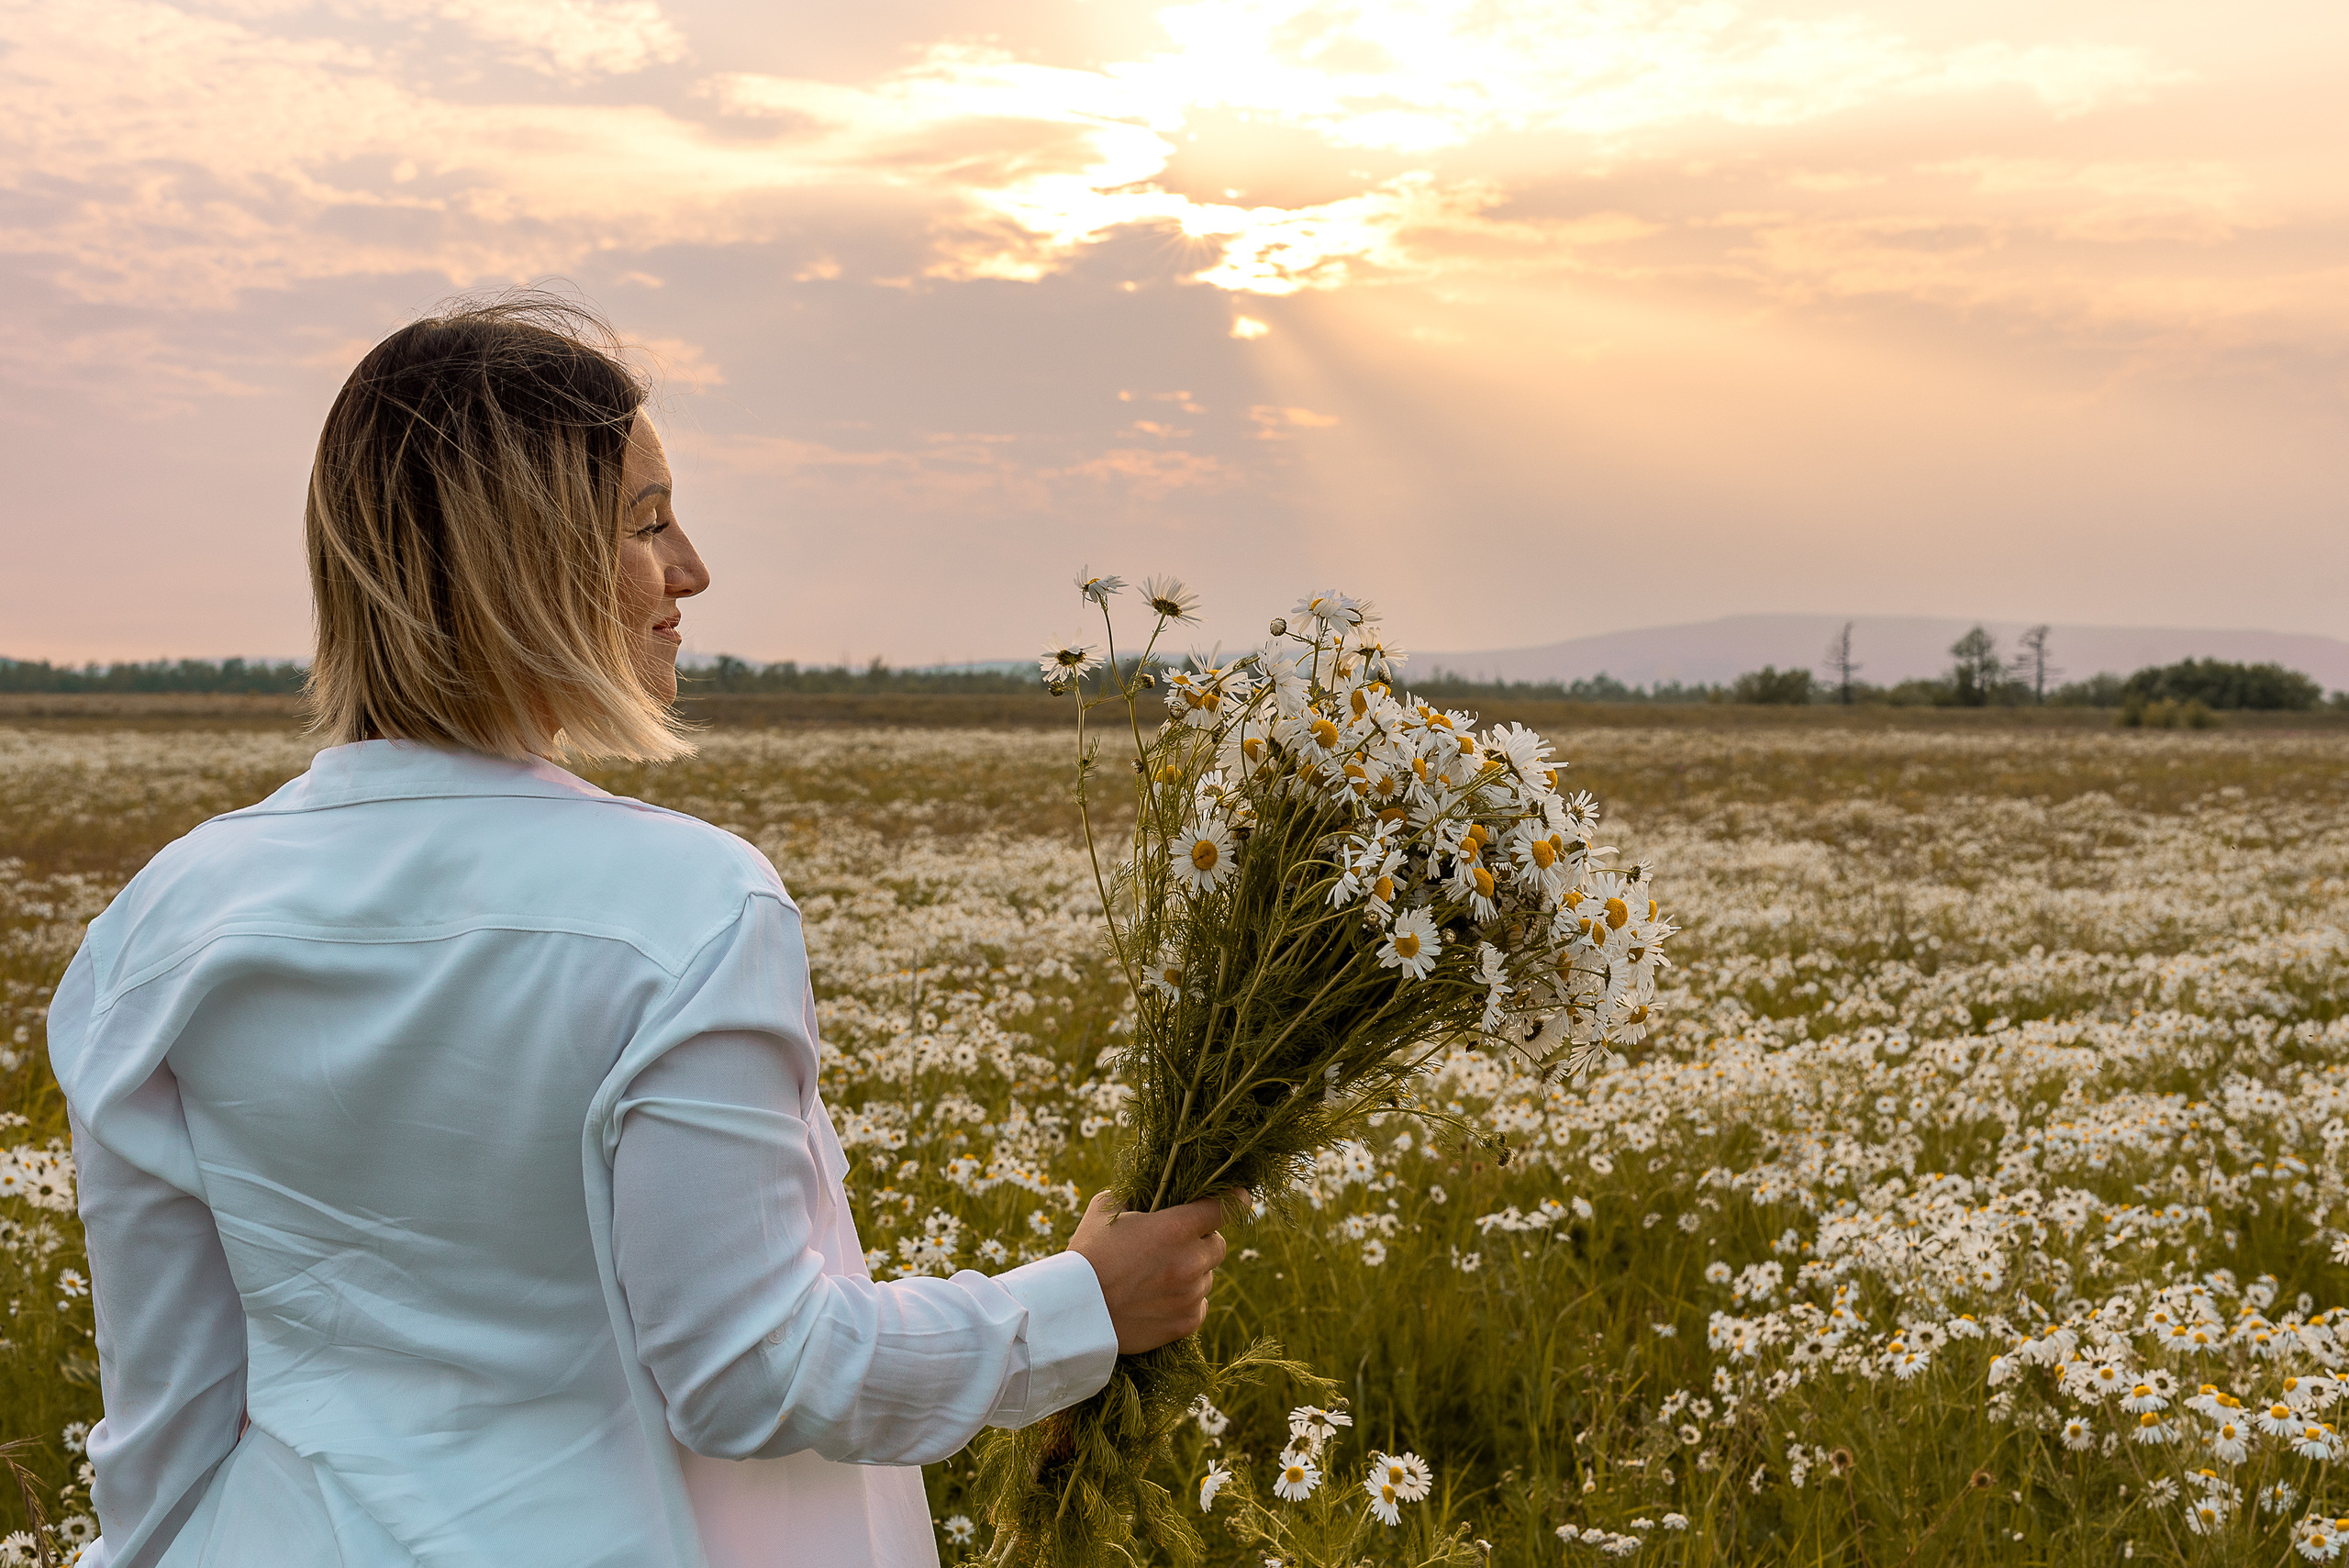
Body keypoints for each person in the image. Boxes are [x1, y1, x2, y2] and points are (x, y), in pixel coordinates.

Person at [47, 297, 1228, 1568]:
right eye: (647, 520)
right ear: (523, 558)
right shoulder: (688, 908)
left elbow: (162, 1430)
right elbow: (750, 1371)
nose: (692, 568)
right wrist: (1078, 1306)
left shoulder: (162, 921)